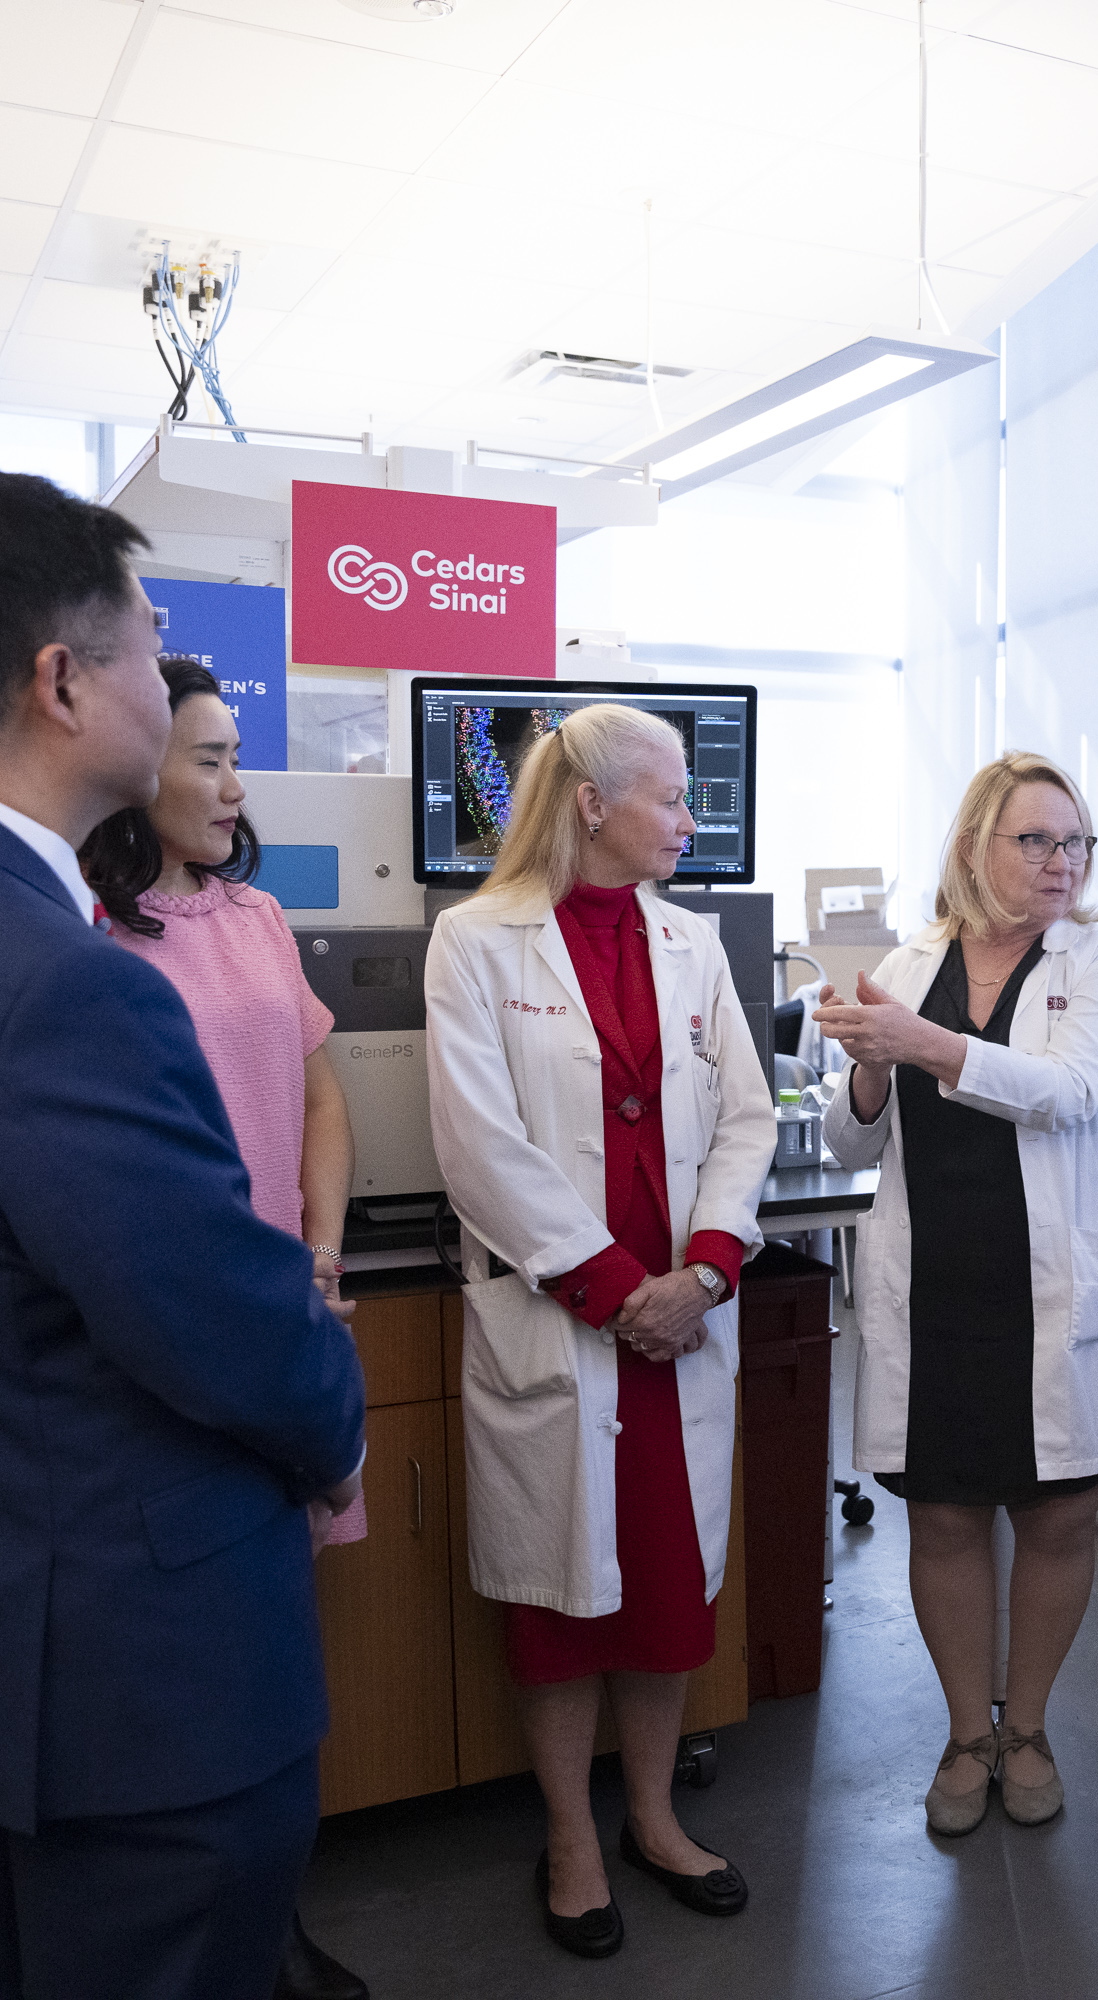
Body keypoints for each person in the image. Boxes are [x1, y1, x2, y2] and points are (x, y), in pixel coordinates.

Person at [0, 469, 366, 2000]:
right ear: (62, 679)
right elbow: (228, 1332)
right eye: (151, 633)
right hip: (138, 1678)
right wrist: (332, 1412)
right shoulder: (65, 985)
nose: (170, 666)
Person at [423, 701, 773, 1959]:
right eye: (674, 798)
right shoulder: (474, 941)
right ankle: (572, 1834)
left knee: (667, 1593)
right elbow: (478, 1146)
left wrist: (706, 1270)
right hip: (570, 1323)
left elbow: (745, 1117)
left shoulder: (692, 940)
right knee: (564, 1601)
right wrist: (621, 1287)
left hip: (680, 1326)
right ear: (591, 804)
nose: (692, 819)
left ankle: (653, 1816)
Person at [79, 655, 371, 2000]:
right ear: (138, 762)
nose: (232, 783)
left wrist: (315, 1262)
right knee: (180, 1654)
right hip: (168, 1338)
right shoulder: (83, 925)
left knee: (275, 1642)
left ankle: (271, 1925)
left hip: (280, 1316)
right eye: (208, 755)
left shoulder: (255, 918)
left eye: (235, 757)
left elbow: (319, 1099)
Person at [814, 752, 1098, 1834]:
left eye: (1076, 841)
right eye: (1037, 840)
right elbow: (848, 1132)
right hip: (940, 1289)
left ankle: (1033, 1724)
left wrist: (924, 1045)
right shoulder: (913, 962)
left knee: (1060, 1510)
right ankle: (968, 1731)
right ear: (974, 848)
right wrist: (870, 1068)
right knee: (947, 1516)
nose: (1062, 861)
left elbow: (1071, 1090)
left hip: (1049, 1292)